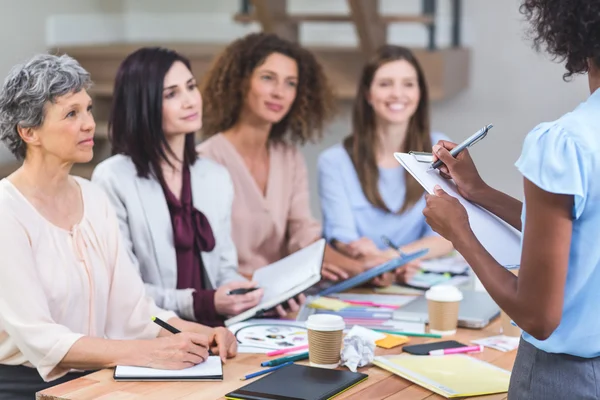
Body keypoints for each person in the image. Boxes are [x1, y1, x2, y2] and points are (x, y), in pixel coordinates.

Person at [0, 54, 236, 400]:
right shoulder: (7, 209)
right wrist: (145, 354)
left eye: (88, 109)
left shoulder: (93, 197)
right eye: (71, 114)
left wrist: (200, 332)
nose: (89, 124)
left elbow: (136, 312)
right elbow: (41, 338)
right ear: (28, 131)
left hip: (98, 379)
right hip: (25, 389)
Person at [422, 1, 600, 398]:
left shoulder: (566, 143)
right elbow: (580, 230)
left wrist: (460, 233)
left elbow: (537, 316)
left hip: (565, 380)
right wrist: (480, 193)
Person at [197, 32, 393, 296]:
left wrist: (363, 267)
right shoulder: (205, 161)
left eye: (290, 83)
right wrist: (282, 279)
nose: (279, 92)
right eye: (268, 78)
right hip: (234, 297)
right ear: (241, 81)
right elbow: (207, 264)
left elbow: (303, 234)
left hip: (286, 295)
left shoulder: (289, 158)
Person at [92, 47, 263, 327]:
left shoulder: (215, 176)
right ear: (142, 103)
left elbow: (224, 268)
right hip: (153, 333)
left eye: (191, 87)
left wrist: (243, 295)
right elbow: (125, 291)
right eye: (171, 94)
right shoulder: (112, 178)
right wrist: (201, 302)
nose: (190, 101)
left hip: (218, 330)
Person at [318, 45, 453, 283]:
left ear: (419, 93)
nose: (397, 94)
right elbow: (342, 238)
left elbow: (447, 236)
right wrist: (378, 262)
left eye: (408, 84)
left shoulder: (438, 151)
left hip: (418, 279)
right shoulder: (334, 162)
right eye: (385, 84)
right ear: (368, 94)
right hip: (362, 281)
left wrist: (394, 258)